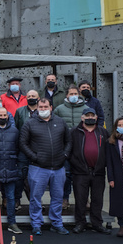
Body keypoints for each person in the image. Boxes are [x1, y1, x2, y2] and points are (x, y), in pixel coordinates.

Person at [20, 98, 71, 236]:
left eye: (45, 106)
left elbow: (68, 141)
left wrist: (64, 155)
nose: (43, 109)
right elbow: (23, 143)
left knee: (58, 197)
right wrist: (35, 157)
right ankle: (36, 224)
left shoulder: (60, 122)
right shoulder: (29, 123)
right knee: (35, 197)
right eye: (40, 107)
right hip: (38, 168)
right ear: (37, 108)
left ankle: (57, 223)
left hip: (58, 168)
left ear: (51, 107)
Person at [68, 108, 110, 234]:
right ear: (82, 118)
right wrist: (76, 164)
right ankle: (80, 223)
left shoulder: (103, 132)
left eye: (92, 115)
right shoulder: (74, 132)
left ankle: (97, 223)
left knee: (97, 199)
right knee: (80, 199)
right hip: (80, 172)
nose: (90, 118)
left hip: (98, 172)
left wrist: (103, 165)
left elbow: (108, 151)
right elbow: (69, 151)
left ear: (96, 117)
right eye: (87, 116)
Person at [53, 86, 89, 209]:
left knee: (83, 174)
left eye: (75, 93)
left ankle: (85, 199)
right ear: (67, 95)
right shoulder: (59, 109)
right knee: (66, 174)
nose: (73, 95)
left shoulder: (86, 109)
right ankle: (65, 198)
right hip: (65, 147)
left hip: (81, 146)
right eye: (71, 93)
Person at [13, 90, 40, 211]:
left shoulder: (42, 111)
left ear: (38, 98)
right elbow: (16, 129)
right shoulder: (20, 111)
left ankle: (35, 203)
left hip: (38, 149)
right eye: (29, 96)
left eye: (33, 96)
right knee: (20, 176)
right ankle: (17, 199)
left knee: (36, 178)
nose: (31, 98)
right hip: (23, 149)